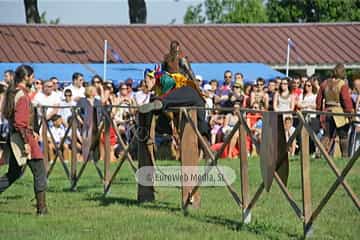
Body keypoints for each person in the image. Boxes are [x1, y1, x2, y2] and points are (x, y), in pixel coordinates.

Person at [0, 65, 47, 215]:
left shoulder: (13, 92)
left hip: (17, 136)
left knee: (14, 173)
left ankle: (42, 209)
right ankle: (42, 210)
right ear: (26, 77)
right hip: (23, 138)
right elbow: (20, 123)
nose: (33, 79)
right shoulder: (21, 95)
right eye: (32, 77)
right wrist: (27, 143)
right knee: (40, 171)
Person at [316, 64, 353, 158]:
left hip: (327, 112)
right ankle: (345, 156)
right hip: (339, 113)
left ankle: (319, 155)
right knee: (343, 135)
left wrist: (319, 112)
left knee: (326, 135)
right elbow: (346, 100)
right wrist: (349, 112)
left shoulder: (324, 83)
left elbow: (319, 100)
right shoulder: (342, 84)